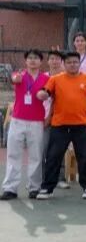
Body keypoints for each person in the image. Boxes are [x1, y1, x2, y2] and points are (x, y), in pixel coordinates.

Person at [36, 51, 86, 200]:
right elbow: (45, 92)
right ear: (64, 64)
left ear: (79, 63)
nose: (72, 65)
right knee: (53, 157)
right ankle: (47, 188)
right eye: (69, 62)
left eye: (75, 62)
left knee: (84, 157)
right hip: (59, 125)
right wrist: (42, 94)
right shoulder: (55, 79)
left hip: (82, 125)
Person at [1, 50, 50, 200]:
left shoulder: (46, 78)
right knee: (13, 154)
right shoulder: (20, 75)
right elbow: (14, 79)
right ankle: (10, 188)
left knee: (36, 155)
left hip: (37, 121)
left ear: (41, 62)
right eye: (30, 58)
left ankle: (34, 187)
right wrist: (16, 78)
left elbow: (50, 95)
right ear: (26, 61)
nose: (33, 60)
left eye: (36, 58)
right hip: (18, 120)